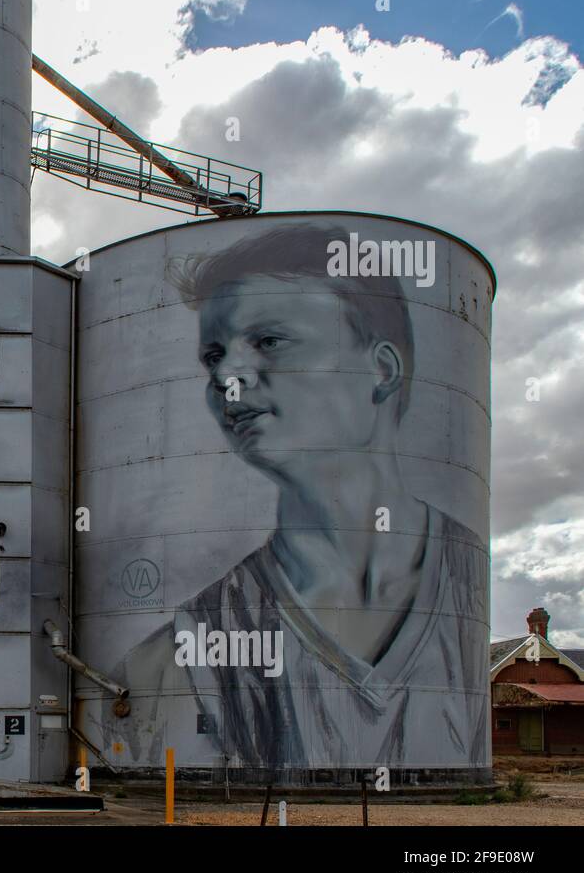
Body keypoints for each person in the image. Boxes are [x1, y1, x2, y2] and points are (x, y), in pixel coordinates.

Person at [92, 224, 488, 773]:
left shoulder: (468, 589)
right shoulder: (179, 655)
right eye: (213, 356)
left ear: (382, 368)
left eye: (269, 341)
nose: (227, 376)